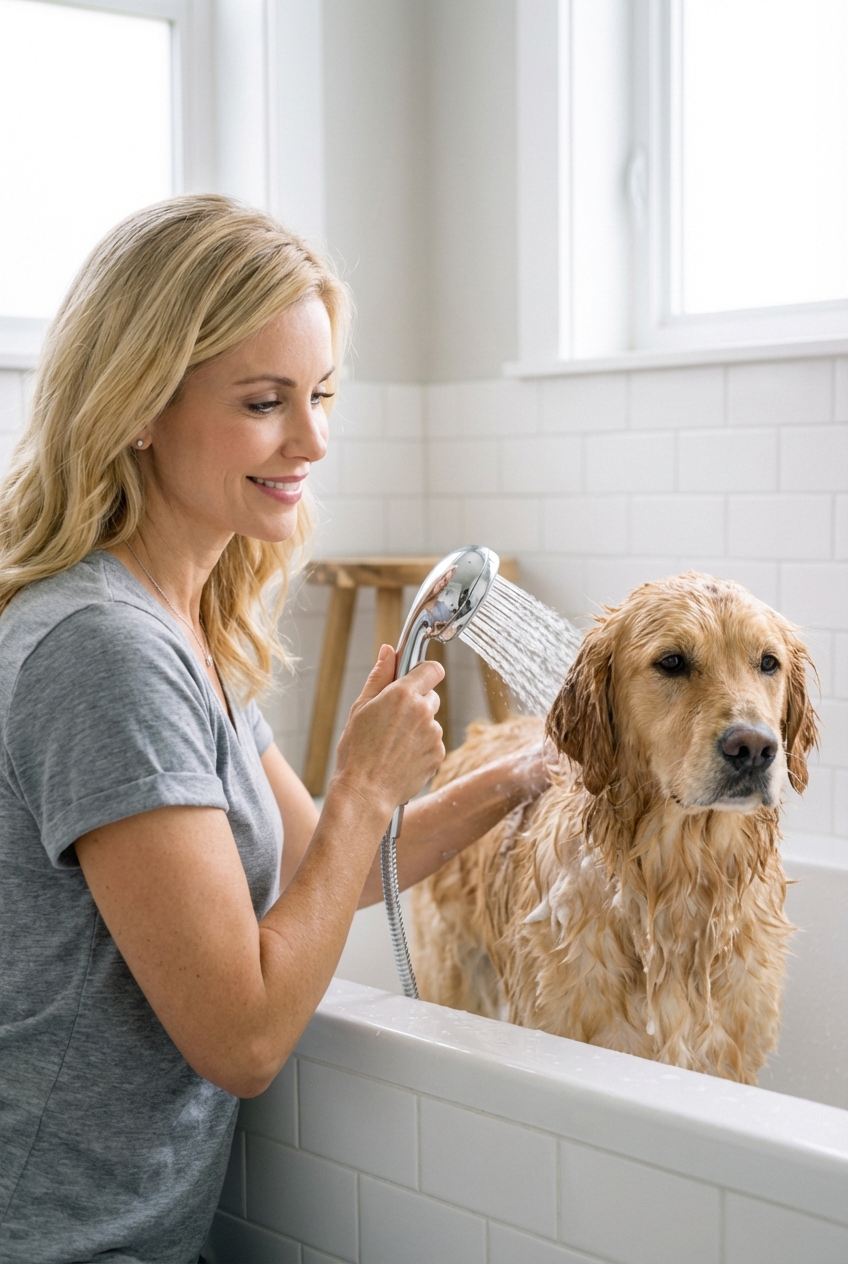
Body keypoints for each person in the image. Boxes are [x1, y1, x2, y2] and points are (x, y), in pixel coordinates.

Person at [0, 195, 547, 1264]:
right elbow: (242, 1039)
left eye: (322, 394)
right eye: (264, 402)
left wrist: (523, 772)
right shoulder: (102, 650)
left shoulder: (171, 625)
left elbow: (321, 871)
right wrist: (359, 787)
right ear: (138, 405)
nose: (312, 438)